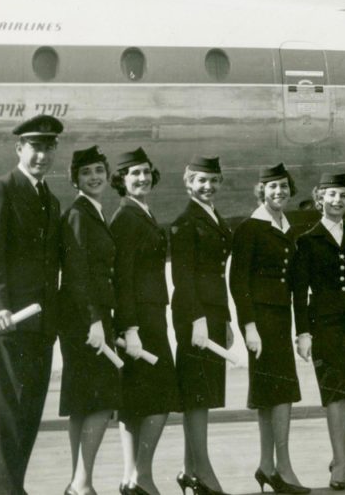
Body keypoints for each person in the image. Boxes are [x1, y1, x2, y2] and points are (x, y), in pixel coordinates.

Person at [0, 114, 63, 495]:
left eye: (48, 148)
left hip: (40, 327)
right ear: (19, 149)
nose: (41, 155)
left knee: (27, 416)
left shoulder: (50, 199)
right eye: (35, 147)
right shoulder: (1, 189)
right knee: (7, 417)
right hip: (8, 322)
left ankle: (13, 488)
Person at [229, 164, 309, 495]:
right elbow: (238, 282)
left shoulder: (287, 229)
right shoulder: (251, 228)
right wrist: (249, 326)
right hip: (262, 322)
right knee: (278, 394)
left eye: (283, 187)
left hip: (280, 320)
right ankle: (283, 468)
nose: (279, 192)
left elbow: (298, 285)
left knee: (271, 395)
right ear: (261, 191)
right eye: (272, 187)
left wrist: (303, 330)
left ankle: (267, 466)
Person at [292, 173, 345, 491]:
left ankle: (340, 458)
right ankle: (339, 466)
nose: (338, 201)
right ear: (319, 200)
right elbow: (299, 293)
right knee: (336, 394)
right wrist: (302, 332)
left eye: (343, 196)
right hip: (324, 326)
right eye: (331, 195)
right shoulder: (307, 240)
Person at [111, 147, 180, 495]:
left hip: (146, 316)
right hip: (142, 321)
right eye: (133, 173)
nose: (141, 178)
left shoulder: (139, 213)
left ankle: (130, 477)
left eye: (145, 172)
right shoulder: (126, 217)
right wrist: (131, 328)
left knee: (135, 400)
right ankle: (144, 475)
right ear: (121, 180)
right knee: (160, 396)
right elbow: (121, 276)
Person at [57, 145, 121, 495]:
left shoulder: (91, 212)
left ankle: (78, 482)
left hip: (82, 318)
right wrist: (95, 321)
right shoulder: (81, 214)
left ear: (107, 174)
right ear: (75, 180)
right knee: (100, 400)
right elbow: (77, 272)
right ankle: (82, 483)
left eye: (98, 170)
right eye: (86, 173)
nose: (94, 177)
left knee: (84, 403)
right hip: (87, 319)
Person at [170, 156, 234, 495]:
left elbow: (216, 275)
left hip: (212, 315)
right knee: (197, 395)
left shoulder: (211, 217)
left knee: (203, 393)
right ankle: (203, 472)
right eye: (200, 181)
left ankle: (188, 469)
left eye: (213, 181)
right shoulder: (186, 221)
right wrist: (197, 320)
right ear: (188, 183)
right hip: (195, 318)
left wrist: (225, 320)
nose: (208, 187)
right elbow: (183, 277)